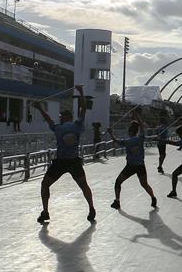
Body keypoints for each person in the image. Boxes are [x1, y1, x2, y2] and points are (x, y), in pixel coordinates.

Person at [33, 85, 96, 224]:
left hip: (60, 162)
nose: (60, 118)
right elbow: (83, 110)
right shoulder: (77, 126)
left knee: (45, 185)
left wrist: (39, 108)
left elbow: (49, 119)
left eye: (61, 116)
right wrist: (81, 93)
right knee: (84, 186)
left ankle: (45, 212)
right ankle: (91, 208)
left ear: (64, 117)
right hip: (74, 161)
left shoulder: (58, 128)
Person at [106, 111, 157, 210]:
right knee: (144, 184)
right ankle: (153, 197)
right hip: (141, 166)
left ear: (129, 131)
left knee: (118, 182)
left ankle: (117, 201)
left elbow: (116, 141)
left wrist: (110, 133)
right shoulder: (141, 138)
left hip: (130, 166)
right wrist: (138, 116)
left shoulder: (127, 142)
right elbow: (142, 127)